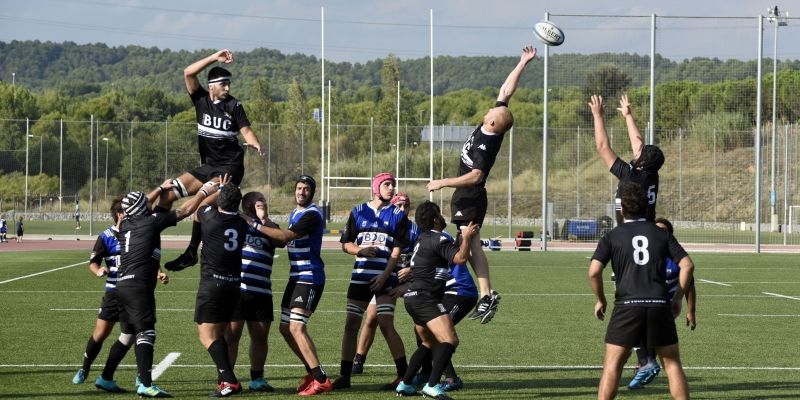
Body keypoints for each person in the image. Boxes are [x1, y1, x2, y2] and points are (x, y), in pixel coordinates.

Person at [426, 46, 537, 323]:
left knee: (470, 239)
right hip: (466, 197)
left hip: (471, 195)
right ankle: (484, 293)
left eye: (492, 110)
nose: (492, 105)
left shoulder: (485, 146)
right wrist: (523, 61)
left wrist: (443, 182)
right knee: (468, 239)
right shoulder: (491, 123)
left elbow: (477, 175)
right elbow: (506, 91)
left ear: (491, 121)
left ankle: (486, 293)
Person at [588, 181, 694, 400]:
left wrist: (601, 300)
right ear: (647, 208)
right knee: (672, 364)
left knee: (612, 365)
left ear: (621, 209)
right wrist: (677, 298)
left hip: (627, 306)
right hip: (659, 304)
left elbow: (594, 272)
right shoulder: (661, 234)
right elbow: (688, 265)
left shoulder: (612, 236)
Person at [116, 178, 219, 398]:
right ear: (141, 208)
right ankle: (144, 383)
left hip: (122, 285)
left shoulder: (126, 224)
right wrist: (203, 192)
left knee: (131, 333)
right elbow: (183, 211)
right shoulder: (149, 222)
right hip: (138, 285)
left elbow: (146, 204)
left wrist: (162, 189)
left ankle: (130, 376)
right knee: (146, 332)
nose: (149, 202)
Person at [163, 48, 263, 272]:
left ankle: (191, 252)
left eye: (229, 84)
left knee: (197, 209)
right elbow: (188, 73)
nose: (228, 88)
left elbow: (246, 130)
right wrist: (213, 58)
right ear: (211, 87)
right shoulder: (200, 100)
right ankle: (149, 237)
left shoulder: (234, 106)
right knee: (167, 194)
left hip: (228, 171)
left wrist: (254, 142)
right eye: (223, 84)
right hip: (208, 167)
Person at [72, 198, 168, 393]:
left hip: (132, 292)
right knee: (100, 333)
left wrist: (158, 272)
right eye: (127, 212)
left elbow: (146, 257)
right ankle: (85, 368)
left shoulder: (136, 231)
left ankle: (109, 377)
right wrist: (98, 270)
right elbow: (93, 262)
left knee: (128, 335)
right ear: (120, 214)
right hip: (113, 292)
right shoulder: (106, 236)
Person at [248, 175, 332, 396]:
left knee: (296, 327)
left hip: (310, 276)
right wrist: (264, 220)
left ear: (312, 193)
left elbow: (285, 236)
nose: (301, 192)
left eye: (305, 189)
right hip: (296, 277)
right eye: (298, 188)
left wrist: (254, 224)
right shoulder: (296, 213)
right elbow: (281, 238)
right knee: (286, 328)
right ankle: (312, 372)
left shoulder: (312, 214)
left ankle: (321, 379)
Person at [169, 177, 251, 397]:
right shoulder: (242, 224)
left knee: (206, 336)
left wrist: (216, 189)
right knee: (219, 335)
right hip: (233, 286)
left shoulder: (210, 217)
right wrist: (227, 192)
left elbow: (200, 207)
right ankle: (225, 380)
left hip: (212, 285)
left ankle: (230, 381)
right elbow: (224, 208)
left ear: (221, 202)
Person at [333, 173, 410, 391]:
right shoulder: (358, 212)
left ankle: (403, 376)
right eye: (387, 184)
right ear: (376, 187)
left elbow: (396, 252)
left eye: (393, 185)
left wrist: (385, 276)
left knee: (386, 324)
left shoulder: (398, 215)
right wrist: (360, 250)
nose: (391, 188)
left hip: (385, 278)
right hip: (360, 276)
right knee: (351, 325)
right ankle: (345, 376)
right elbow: (345, 244)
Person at [395, 201, 477, 398]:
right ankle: (432, 385)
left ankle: (405, 384)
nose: (442, 217)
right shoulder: (439, 238)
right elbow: (460, 259)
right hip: (426, 299)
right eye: (439, 214)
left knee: (429, 342)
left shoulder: (422, 239)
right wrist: (466, 238)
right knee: (449, 340)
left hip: (412, 299)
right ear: (435, 220)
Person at [351, 192, 419, 376]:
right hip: (382, 278)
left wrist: (411, 271)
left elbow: (424, 256)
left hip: (405, 281)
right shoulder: (384, 224)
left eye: (406, 206)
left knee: (419, 322)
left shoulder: (414, 230)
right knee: (372, 318)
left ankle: (420, 366)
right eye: (399, 205)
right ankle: (358, 360)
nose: (403, 209)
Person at [627, 217, 697, 390]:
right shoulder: (646, 256)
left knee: (641, 333)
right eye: (656, 230)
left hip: (669, 304)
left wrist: (691, 311)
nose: (658, 233)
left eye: (663, 231)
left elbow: (690, 285)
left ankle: (645, 365)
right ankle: (645, 366)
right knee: (646, 335)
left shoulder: (677, 258)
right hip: (649, 302)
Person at [224, 191, 284, 393]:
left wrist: (263, 219)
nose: (260, 204)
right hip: (238, 289)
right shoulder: (237, 222)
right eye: (256, 202)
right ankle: (227, 379)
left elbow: (281, 241)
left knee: (260, 337)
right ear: (246, 204)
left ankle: (257, 378)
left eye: (263, 202)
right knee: (232, 336)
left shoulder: (270, 226)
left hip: (261, 291)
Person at [589, 94, 664, 226]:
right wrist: (628, 116)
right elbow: (637, 145)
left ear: (643, 162)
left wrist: (597, 116)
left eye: (642, 152)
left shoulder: (630, 175)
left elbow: (602, 148)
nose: (639, 149)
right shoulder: (652, 174)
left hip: (630, 232)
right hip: (648, 227)